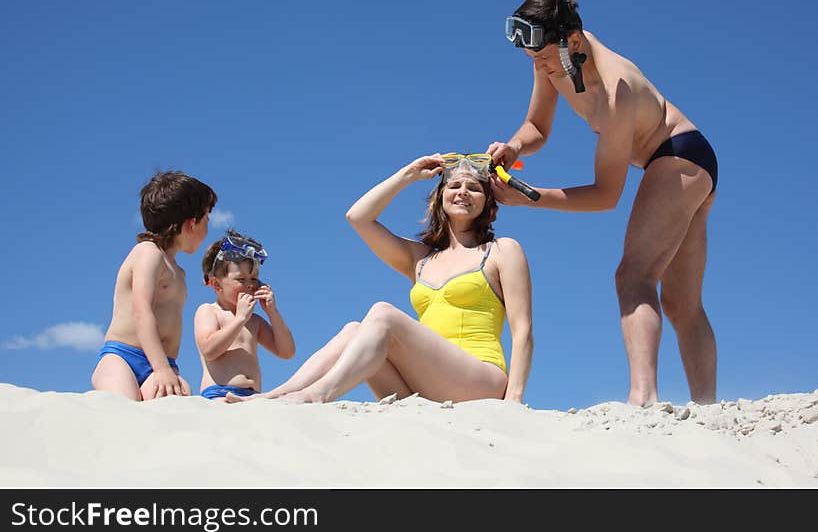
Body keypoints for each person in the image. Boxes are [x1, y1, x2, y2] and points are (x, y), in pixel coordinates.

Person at [491, 0, 718, 406]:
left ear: (572, 40)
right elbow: (537, 126)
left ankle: (643, 399)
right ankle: (709, 411)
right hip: (693, 161)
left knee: (633, 276)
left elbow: (605, 196)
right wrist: (514, 147)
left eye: (544, 61)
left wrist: (530, 198)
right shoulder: (555, 57)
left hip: (676, 155)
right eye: (532, 60)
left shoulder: (617, 94)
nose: (540, 69)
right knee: (680, 303)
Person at [226, 153, 534, 405]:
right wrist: (408, 174)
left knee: (384, 315)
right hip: (428, 387)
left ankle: (315, 396)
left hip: (480, 382)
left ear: (486, 202)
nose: (463, 192)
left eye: (474, 187)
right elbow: (358, 217)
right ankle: (275, 396)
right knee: (353, 331)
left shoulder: (501, 251)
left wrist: (514, 400)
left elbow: (522, 330)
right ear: (441, 196)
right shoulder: (420, 259)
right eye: (454, 186)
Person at [91, 170, 217, 401]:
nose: (208, 227)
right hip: (123, 357)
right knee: (122, 407)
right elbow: (142, 312)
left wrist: (164, 368)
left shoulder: (178, 271)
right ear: (192, 223)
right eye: (207, 219)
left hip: (165, 363)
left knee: (175, 406)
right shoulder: (148, 253)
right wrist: (161, 369)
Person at [193, 230, 296, 400]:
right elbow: (209, 350)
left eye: (254, 279)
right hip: (219, 394)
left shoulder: (254, 321)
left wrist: (272, 312)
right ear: (217, 285)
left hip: (252, 397)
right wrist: (239, 319)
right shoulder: (209, 311)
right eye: (241, 279)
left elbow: (286, 352)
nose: (249, 285)